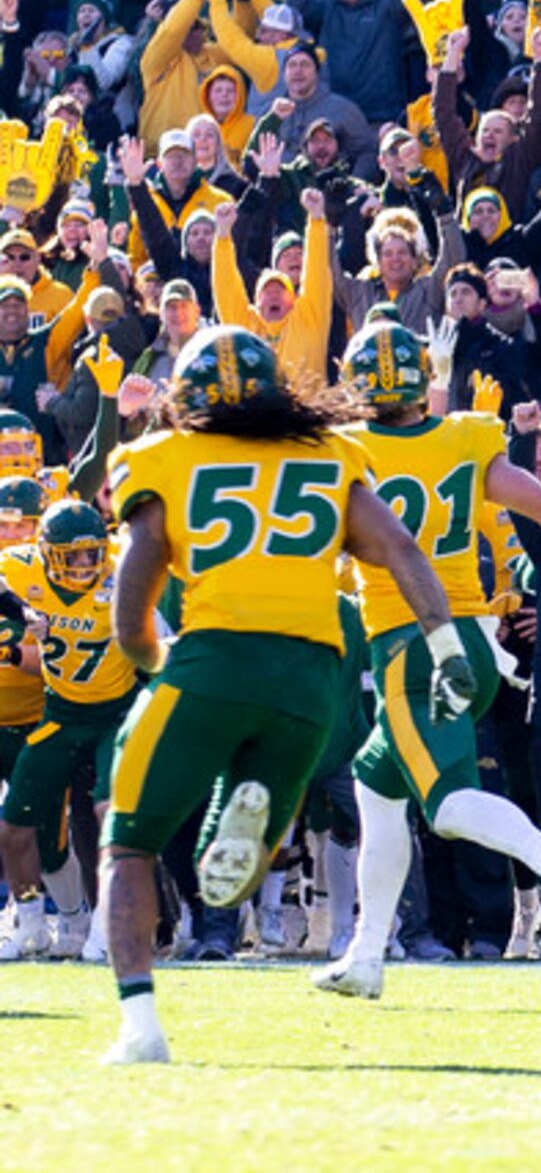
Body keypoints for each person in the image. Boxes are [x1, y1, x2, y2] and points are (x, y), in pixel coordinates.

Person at [97, 326, 461, 1065]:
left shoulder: (162, 456)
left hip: (213, 658)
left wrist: (151, 660)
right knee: (231, 866)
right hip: (312, 676)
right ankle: (246, 843)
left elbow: (138, 575)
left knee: (129, 843)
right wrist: (447, 643)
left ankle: (140, 1026)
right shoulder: (330, 454)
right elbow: (399, 549)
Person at [314, 320, 541, 999]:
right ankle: (366, 956)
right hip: (470, 637)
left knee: (445, 806)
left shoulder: (345, 450)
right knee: (377, 789)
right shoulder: (465, 439)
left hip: (410, 645)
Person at [0, 499, 136, 964]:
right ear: (46, 553)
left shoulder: (123, 575)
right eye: (72, 556)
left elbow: (160, 641)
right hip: (58, 715)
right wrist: (18, 610)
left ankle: (105, 924)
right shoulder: (22, 570)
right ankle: (32, 923)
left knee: (108, 814)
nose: (85, 564)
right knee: (13, 827)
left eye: (91, 553)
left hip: (113, 717)